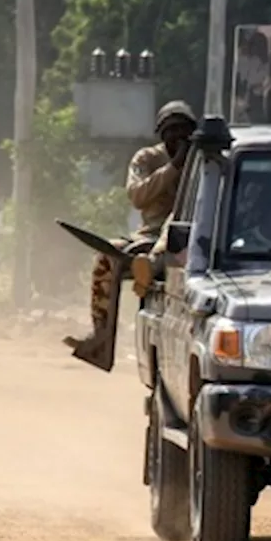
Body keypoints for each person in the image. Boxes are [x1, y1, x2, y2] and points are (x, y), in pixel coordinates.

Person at [64, 100, 197, 356]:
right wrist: (174, 168)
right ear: (161, 134)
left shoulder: (202, 161)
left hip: (191, 237)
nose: (177, 137)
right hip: (149, 235)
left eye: (183, 130)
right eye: (171, 131)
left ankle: (152, 265)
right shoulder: (147, 158)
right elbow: (137, 195)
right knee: (107, 255)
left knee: (178, 224)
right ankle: (100, 337)